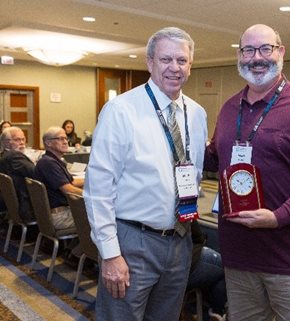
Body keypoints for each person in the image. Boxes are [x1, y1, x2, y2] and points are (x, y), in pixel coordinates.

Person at [204, 24, 290, 321]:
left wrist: (279, 216)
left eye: (265, 48)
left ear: (281, 52)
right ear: (239, 56)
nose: (256, 58)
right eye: (248, 50)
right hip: (240, 256)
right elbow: (217, 158)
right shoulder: (230, 108)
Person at [84, 27, 207, 321]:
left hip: (180, 241)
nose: (174, 68)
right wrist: (111, 254)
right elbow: (98, 189)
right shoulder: (121, 110)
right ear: (149, 62)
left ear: (190, 65)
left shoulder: (197, 113)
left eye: (182, 60)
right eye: (166, 59)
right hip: (132, 242)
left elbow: (193, 173)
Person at [35, 126, 84, 229]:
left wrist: (93, 181)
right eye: (61, 139)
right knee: (105, 218)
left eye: (66, 138)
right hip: (60, 216)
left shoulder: (52, 160)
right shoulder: (48, 163)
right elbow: (68, 190)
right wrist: (94, 195)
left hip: (60, 211)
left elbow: (72, 182)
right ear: (48, 143)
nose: (65, 142)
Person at [186, 221, 227, 321]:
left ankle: (196, 310)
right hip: (184, 260)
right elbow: (196, 231)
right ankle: (216, 314)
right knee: (226, 267)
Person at [0, 126, 35, 222]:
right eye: (17, 140)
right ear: (7, 142)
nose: (22, 142)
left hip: (13, 203)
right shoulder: (14, 156)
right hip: (25, 204)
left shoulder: (4, 155)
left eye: (23, 139)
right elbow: (36, 173)